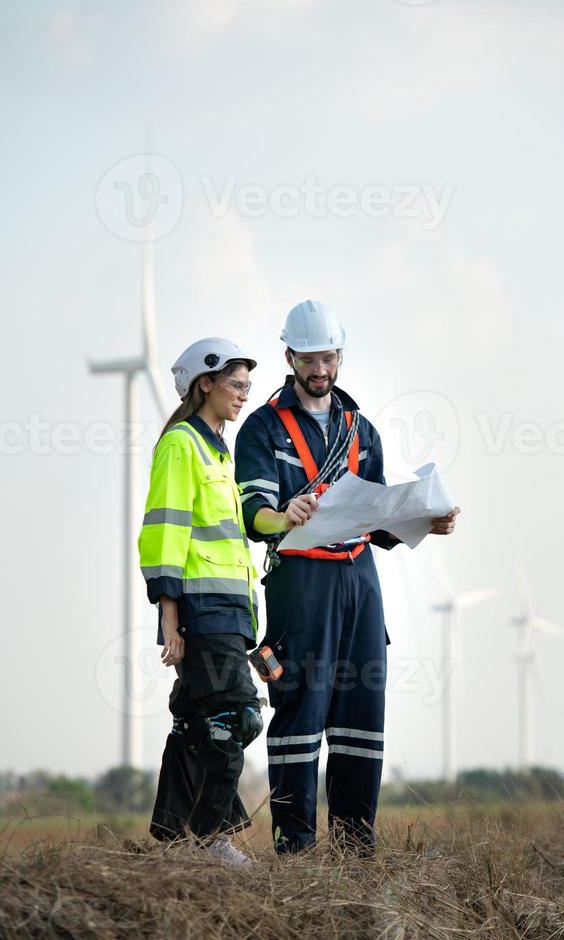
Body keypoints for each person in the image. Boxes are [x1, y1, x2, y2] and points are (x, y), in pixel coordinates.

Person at [234, 300, 460, 854]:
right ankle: (296, 851)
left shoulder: (362, 430)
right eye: (309, 358)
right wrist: (283, 516)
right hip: (301, 584)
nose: (320, 369)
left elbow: (379, 521)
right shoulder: (262, 428)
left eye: (328, 357)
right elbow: (252, 515)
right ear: (289, 356)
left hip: (361, 583)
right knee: (301, 717)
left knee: (363, 718)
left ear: (340, 357)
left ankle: (358, 851)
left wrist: (426, 521)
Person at [138, 337, 263, 866]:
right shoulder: (181, 445)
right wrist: (170, 614)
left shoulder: (218, 449)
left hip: (232, 608)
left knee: (195, 723)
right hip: (202, 606)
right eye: (236, 385)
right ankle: (213, 841)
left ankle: (173, 839)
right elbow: (165, 529)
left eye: (248, 387)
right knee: (235, 717)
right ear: (204, 383)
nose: (244, 396)